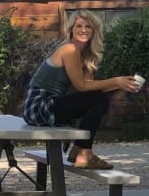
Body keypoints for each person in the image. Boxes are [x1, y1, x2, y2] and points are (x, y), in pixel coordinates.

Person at [22, 10, 139, 169]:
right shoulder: (69, 49)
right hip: (39, 106)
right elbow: (81, 86)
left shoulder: (84, 55)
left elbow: (89, 90)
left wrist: (123, 84)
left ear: (94, 31)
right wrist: (116, 81)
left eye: (88, 26)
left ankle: (79, 150)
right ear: (71, 29)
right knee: (99, 99)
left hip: (48, 106)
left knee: (98, 99)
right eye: (79, 26)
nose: (83, 30)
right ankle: (84, 153)